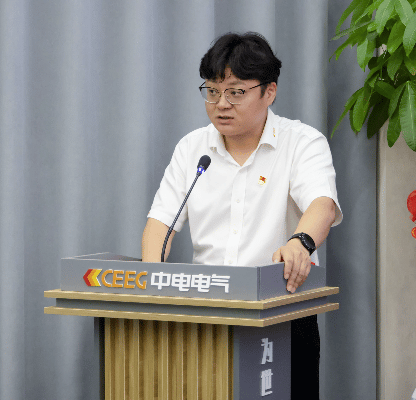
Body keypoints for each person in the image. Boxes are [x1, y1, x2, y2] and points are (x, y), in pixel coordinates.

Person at [141, 31, 342, 399]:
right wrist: (152, 286)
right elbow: (161, 222)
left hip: (282, 313)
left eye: (235, 92)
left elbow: (322, 205)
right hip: (208, 315)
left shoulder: (302, 142)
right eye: (212, 91)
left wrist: (300, 242)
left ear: (269, 92)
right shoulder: (192, 149)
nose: (221, 104)